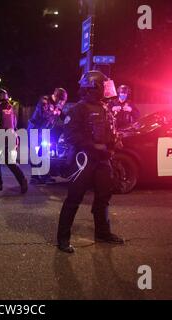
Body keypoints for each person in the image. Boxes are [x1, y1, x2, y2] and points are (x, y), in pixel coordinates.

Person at [57, 70, 125, 254]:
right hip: (83, 160)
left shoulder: (104, 107)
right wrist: (94, 146)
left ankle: (103, 233)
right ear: (92, 87)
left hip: (103, 161)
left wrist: (114, 141)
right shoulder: (78, 109)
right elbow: (70, 135)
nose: (106, 89)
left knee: (103, 197)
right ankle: (63, 239)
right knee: (74, 199)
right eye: (103, 86)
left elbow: (110, 130)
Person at [28, 88, 68, 185]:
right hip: (35, 130)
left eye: (63, 101)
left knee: (45, 153)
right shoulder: (44, 101)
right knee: (35, 153)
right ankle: (34, 177)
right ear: (56, 96)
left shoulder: (57, 105)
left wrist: (69, 119)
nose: (62, 103)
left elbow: (63, 117)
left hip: (45, 131)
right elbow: (44, 114)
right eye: (61, 100)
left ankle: (45, 175)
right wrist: (55, 111)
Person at [0, 88, 28, 194]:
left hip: (1, 136)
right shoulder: (11, 107)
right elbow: (15, 122)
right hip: (12, 135)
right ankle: (22, 180)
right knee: (11, 162)